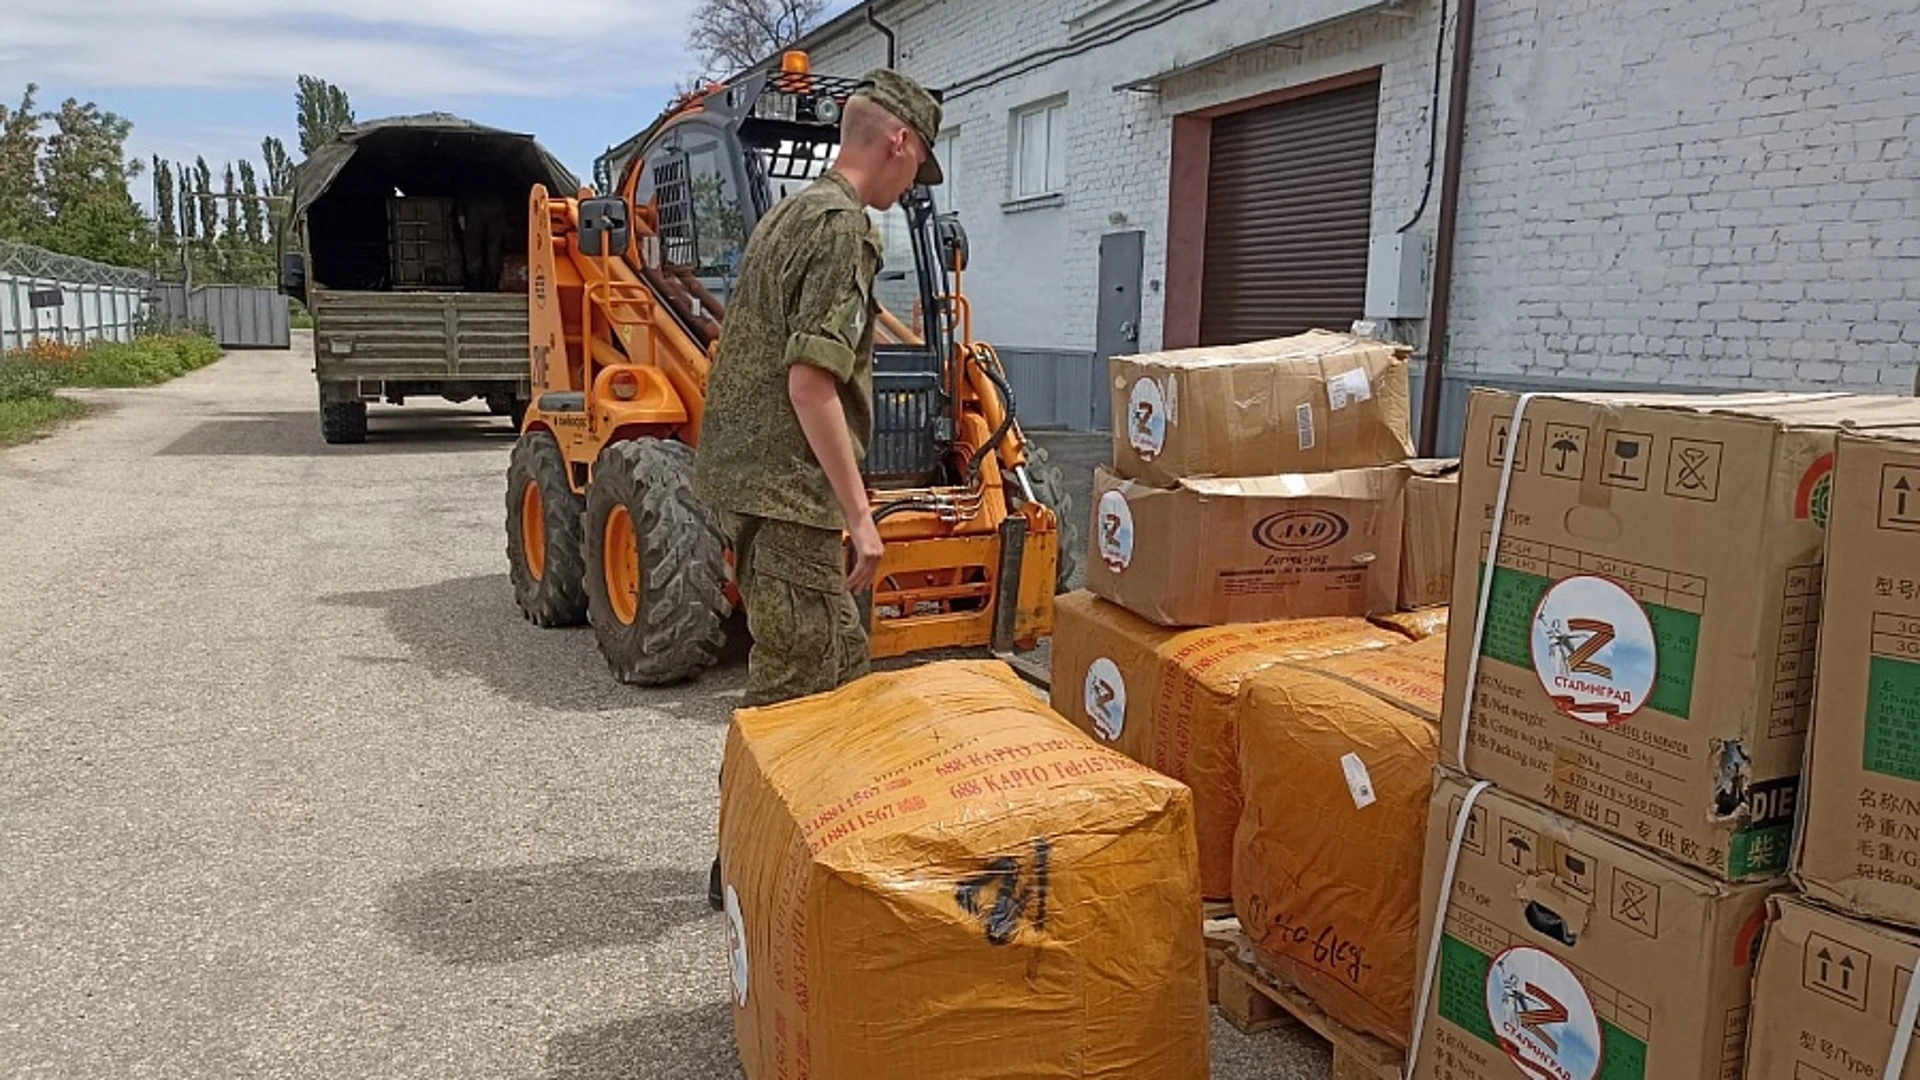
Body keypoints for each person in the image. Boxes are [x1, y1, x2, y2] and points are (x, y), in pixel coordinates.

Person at [692, 69, 943, 908]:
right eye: (919, 164)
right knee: (794, 688)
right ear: (897, 142)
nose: (915, 182)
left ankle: (823, 844)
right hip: (784, 487)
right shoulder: (844, 230)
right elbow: (809, 383)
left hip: (756, 477)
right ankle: (748, 872)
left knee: (840, 661)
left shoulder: (791, 214)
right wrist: (862, 517)